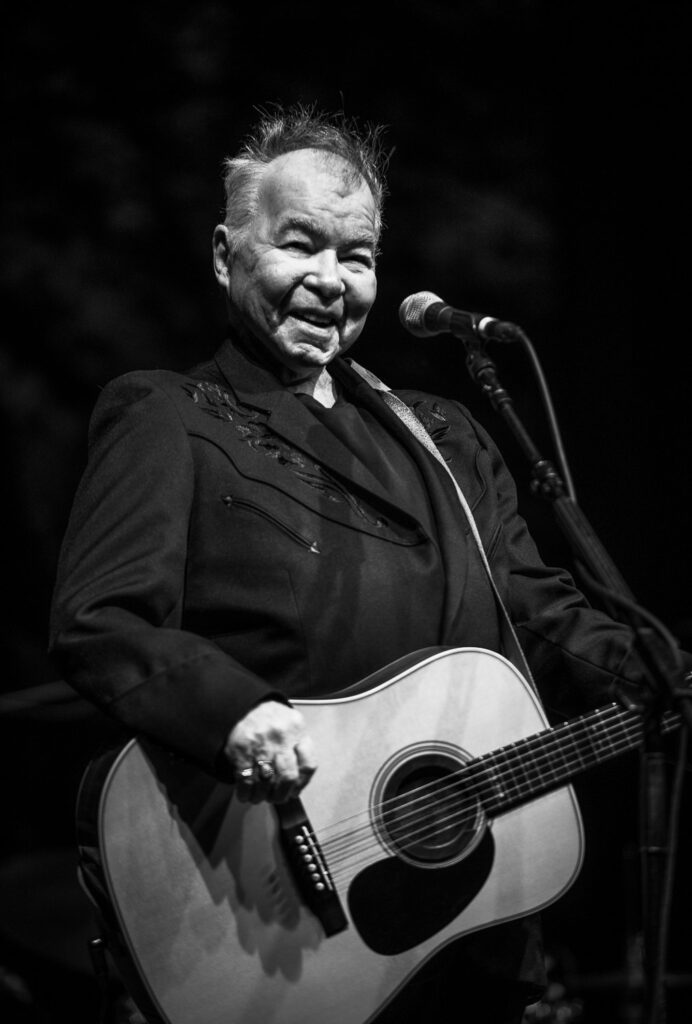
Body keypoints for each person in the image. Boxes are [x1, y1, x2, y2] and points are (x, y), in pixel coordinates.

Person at [49, 104, 665, 1024]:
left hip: (471, 924)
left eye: (359, 255)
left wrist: (655, 676)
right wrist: (233, 712)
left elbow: (537, 609)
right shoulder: (170, 415)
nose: (331, 281)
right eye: (302, 245)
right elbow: (101, 619)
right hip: (269, 911)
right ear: (226, 255)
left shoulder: (446, 435)